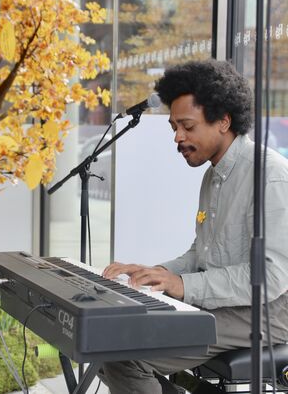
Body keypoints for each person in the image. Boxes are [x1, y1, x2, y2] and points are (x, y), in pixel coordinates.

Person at [99, 59, 288, 394]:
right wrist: (154, 272)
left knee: (125, 356)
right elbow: (201, 253)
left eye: (187, 126)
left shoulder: (269, 175)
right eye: (174, 126)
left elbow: (271, 278)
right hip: (229, 303)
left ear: (223, 121)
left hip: (269, 312)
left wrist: (182, 285)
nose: (177, 137)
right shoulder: (212, 176)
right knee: (109, 338)